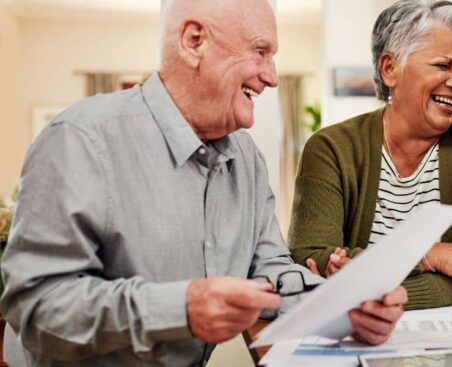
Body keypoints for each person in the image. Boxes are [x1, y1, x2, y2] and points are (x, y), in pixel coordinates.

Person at [0, 0, 407, 365]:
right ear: (194, 41)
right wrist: (181, 307)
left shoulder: (247, 158)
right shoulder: (80, 139)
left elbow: (271, 269)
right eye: (260, 51)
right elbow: (35, 306)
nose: (272, 77)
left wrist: (342, 305)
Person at [288, 0, 452, 310]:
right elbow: (310, 258)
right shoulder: (330, 149)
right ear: (390, 68)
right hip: (349, 338)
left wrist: (361, 287)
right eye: (443, 65)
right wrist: (431, 255)